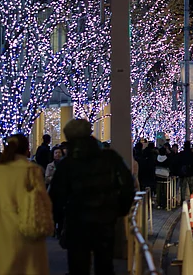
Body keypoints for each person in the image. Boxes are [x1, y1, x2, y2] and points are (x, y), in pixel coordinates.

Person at [49, 118, 134, 275]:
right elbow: (128, 186)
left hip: (76, 222)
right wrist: (118, 210)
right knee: (105, 265)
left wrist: (59, 220)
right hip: (105, 219)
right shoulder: (110, 158)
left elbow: (56, 196)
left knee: (78, 267)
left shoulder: (67, 165)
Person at [0, 133, 50, 275]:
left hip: (2, 236)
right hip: (30, 234)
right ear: (26, 150)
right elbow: (44, 203)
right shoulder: (33, 170)